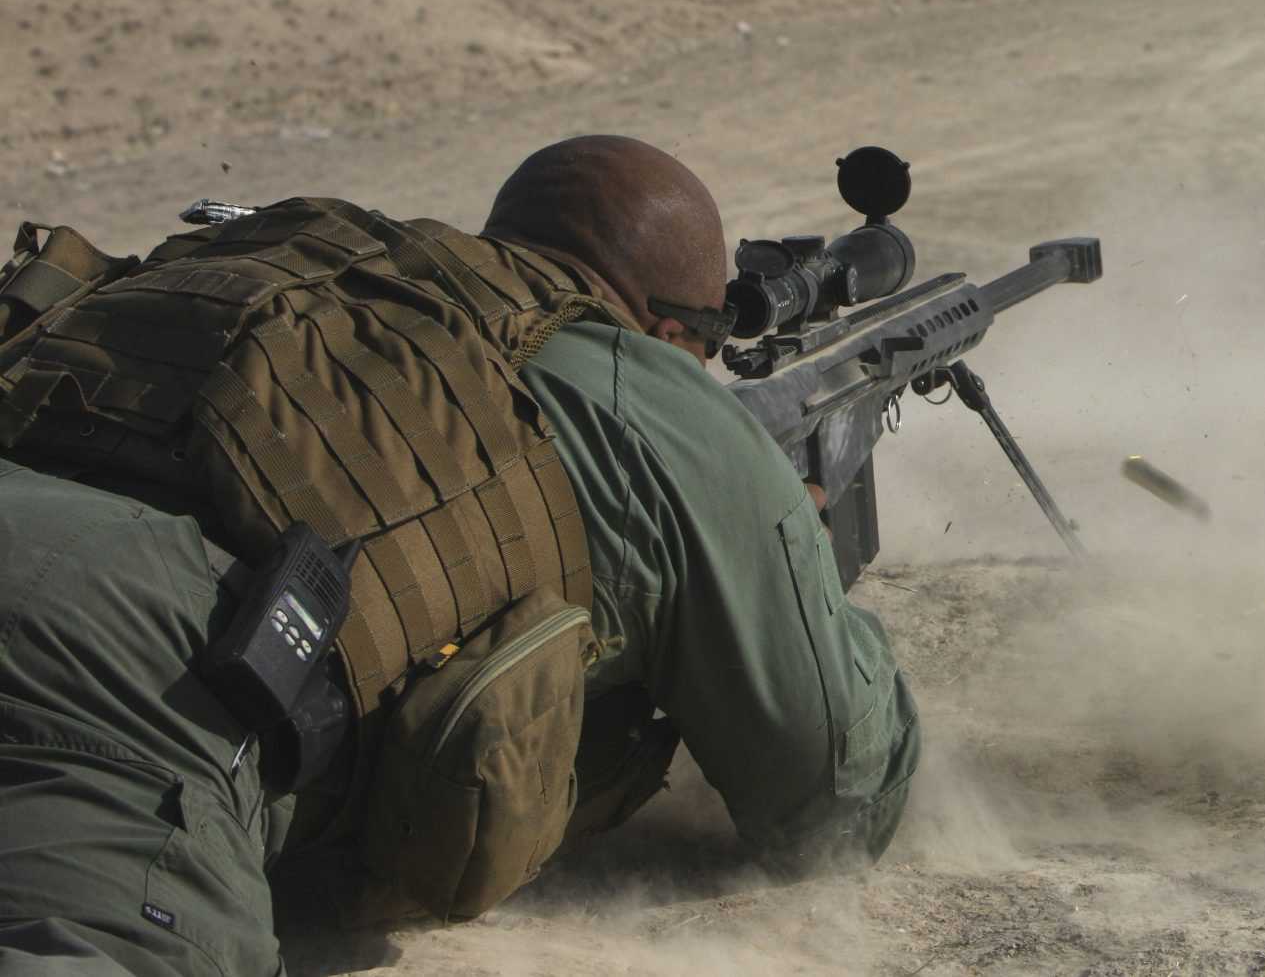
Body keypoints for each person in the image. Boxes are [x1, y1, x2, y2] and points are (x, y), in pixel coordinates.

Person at [0, 137, 919, 976]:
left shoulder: (357, 295)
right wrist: (801, 560)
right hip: (120, 665)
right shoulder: (648, 398)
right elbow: (833, 795)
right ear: (674, 337)